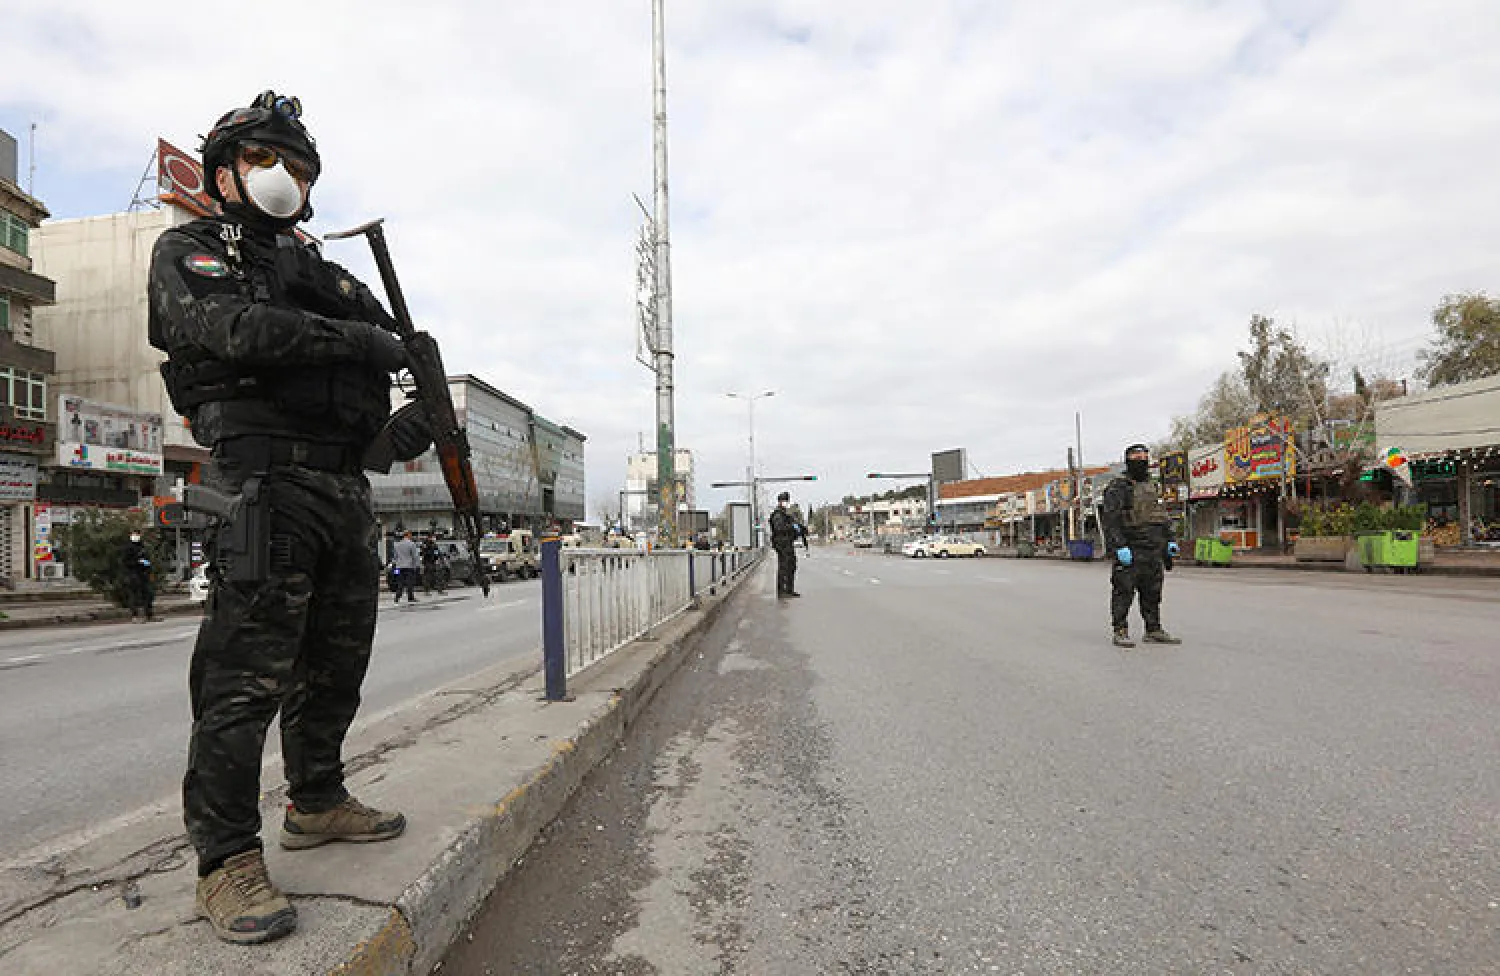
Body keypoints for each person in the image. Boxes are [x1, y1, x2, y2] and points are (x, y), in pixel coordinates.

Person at [148, 90, 433, 945]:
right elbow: (227, 329)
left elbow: (386, 350)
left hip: (345, 488)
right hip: (263, 483)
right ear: (226, 171)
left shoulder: (325, 273)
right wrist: (356, 343)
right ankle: (226, 860)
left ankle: (315, 800)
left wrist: (412, 385)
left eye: (300, 168)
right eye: (268, 160)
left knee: (337, 662)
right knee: (243, 681)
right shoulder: (191, 248)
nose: (286, 179)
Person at [1100, 443, 1182, 648]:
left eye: (1145, 458)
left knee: (1153, 592)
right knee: (1123, 592)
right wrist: (1119, 546)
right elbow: (1111, 519)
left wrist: (1170, 540)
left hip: (1153, 549)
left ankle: (1153, 629)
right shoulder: (1119, 487)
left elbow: (1162, 516)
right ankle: (1120, 630)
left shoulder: (1152, 487)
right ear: (1128, 461)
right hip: (1131, 547)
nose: (1142, 462)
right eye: (1137, 459)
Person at [769, 490, 807, 597]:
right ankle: (782, 591)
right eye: (784, 500)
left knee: (791, 565)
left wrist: (799, 528)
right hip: (782, 544)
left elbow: (790, 526)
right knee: (784, 567)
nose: (786, 503)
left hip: (787, 543)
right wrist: (792, 527)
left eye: (787, 500)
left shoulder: (785, 514)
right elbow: (779, 528)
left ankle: (789, 590)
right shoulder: (778, 514)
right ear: (780, 502)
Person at [121, 529, 156, 622]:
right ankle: (135, 616)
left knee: (148, 594)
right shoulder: (128, 547)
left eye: (137, 534)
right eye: (134, 534)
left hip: (143, 573)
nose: (136, 536)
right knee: (134, 595)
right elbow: (125, 561)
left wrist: (148, 569)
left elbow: (147, 559)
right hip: (133, 573)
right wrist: (137, 562)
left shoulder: (142, 546)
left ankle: (149, 615)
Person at [391, 530, 420, 603]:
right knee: (410, 582)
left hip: (399, 567)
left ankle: (397, 597)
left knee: (400, 582)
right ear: (406, 535)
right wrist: (417, 565)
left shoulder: (396, 544)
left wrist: (394, 566)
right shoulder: (411, 544)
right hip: (409, 566)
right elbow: (415, 556)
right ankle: (410, 597)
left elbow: (395, 556)